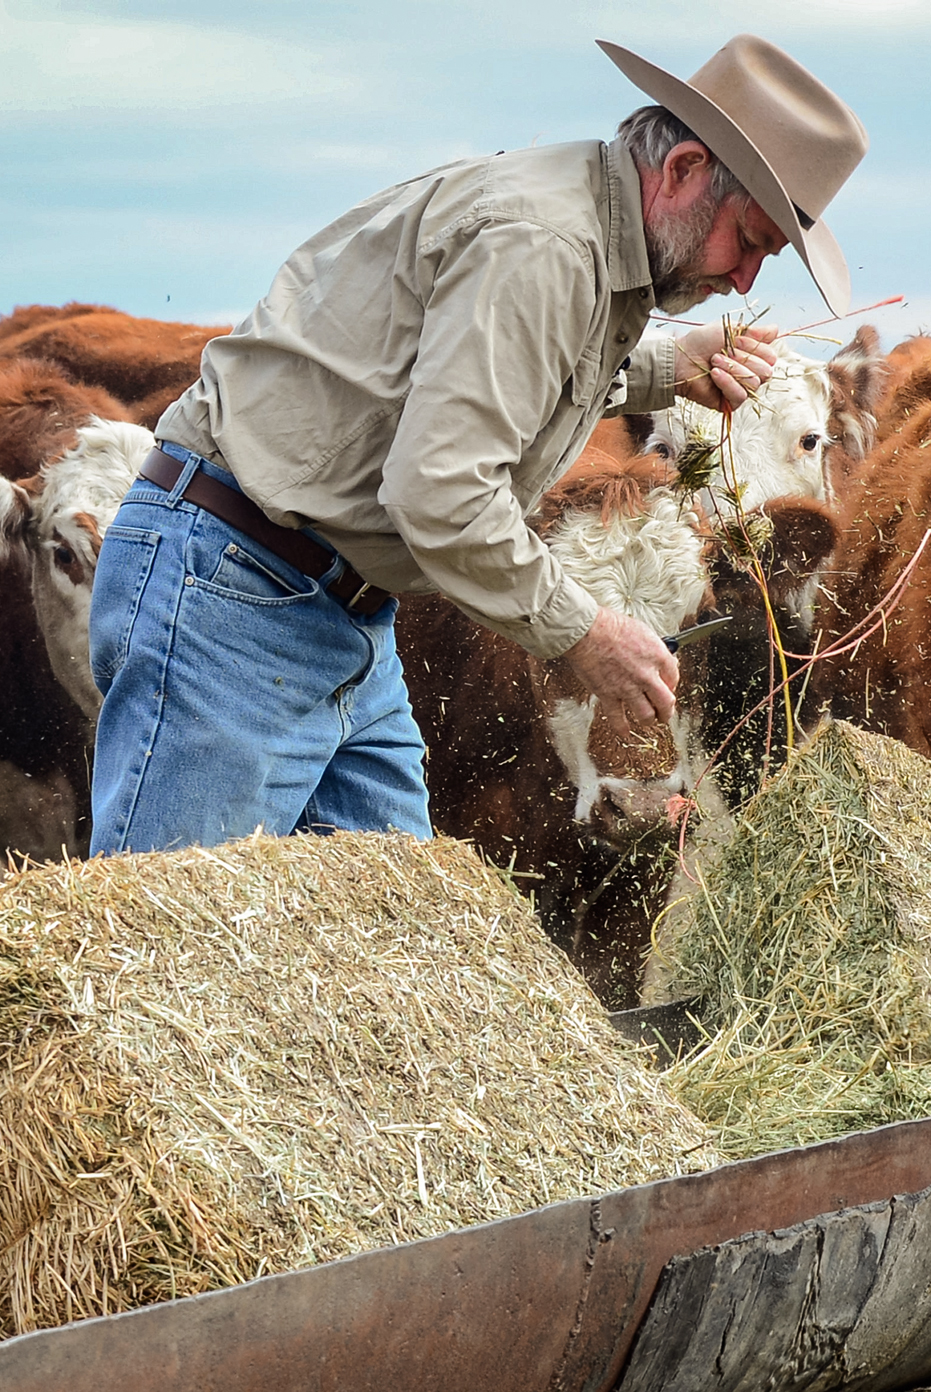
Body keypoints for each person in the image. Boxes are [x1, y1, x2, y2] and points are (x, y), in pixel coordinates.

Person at [88, 35, 868, 853]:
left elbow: (489, 370)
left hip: (319, 596)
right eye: (747, 240)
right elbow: (442, 494)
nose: (744, 281)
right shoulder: (545, 245)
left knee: (401, 945)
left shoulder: (572, 223)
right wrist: (587, 634)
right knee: (173, 948)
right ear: (681, 170)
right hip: (234, 594)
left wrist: (665, 368)